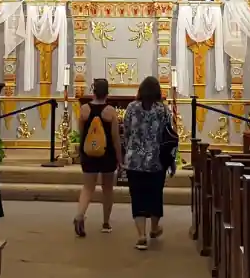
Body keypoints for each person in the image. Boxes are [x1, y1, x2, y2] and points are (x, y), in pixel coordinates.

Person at [122, 75, 176, 250]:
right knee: (155, 195)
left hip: (134, 161)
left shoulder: (131, 108)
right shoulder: (163, 110)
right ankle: (154, 227)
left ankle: (141, 235)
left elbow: (126, 131)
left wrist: (129, 149)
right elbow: (169, 136)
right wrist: (171, 160)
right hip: (156, 161)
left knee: (137, 197)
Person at [73, 78, 121, 237]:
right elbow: (115, 137)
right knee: (107, 189)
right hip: (107, 154)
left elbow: (82, 134)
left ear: (93, 91)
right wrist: (120, 158)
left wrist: (81, 152)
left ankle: (80, 215)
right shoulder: (110, 111)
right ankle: (106, 223)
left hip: (89, 152)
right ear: (107, 92)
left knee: (87, 187)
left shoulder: (84, 109)